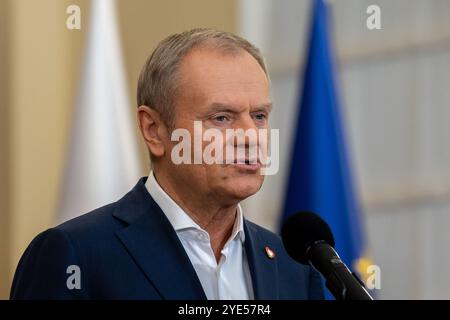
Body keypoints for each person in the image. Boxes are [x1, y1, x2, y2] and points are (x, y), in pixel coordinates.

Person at [10, 28, 324, 300]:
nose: (250, 137)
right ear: (154, 130)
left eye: (259, 116)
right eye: (221, 118)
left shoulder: (293, 264)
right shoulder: (77, 255)